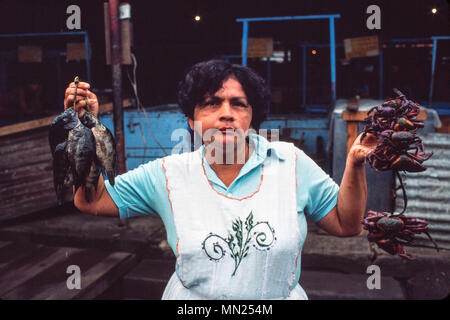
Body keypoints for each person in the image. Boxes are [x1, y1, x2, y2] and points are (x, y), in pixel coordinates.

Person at [63, 59, 378, 300]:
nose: (226, 113)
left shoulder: (290, 163)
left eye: (238, 103)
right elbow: (91, 200)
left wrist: (355, 164)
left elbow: (346, 224)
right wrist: (84, 130)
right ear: (192, 120)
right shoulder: (168, 173)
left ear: (252, 115)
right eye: (212, 103)